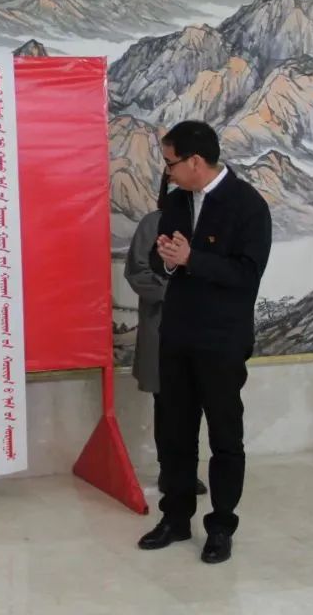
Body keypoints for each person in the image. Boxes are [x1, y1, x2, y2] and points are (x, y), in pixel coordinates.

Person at [137, 121, 272, 565]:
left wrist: (192, 258)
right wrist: (168, 259)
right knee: (175, 433)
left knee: (224, 436)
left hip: (222, 339)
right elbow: (162, 257)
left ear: (195, 161)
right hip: (177, 334)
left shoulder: (248, 205)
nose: (167, 172)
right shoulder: (177, 201)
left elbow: (246, 274)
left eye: (171, 163)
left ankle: (221, 526)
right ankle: (175, 518)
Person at [124, 173, 207, 497]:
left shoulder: (209, 223)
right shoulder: (153, 222)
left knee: (195, 403)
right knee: (168, 403)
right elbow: (137, 271)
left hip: (202, 328)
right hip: (162, 325)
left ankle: (188, 470)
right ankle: (169, 472)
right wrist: (173, 293)